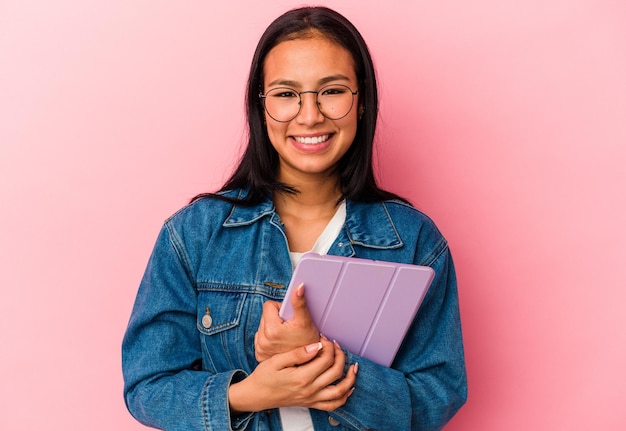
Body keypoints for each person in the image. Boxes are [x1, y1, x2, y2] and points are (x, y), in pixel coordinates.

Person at [122, 6, 467, 431]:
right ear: (260, 106)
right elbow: (147, 385)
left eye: (332, 91)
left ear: (361, 103)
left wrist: (318, 354)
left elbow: (436, 397)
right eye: (286, 94)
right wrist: (250, 394)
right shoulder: (194, 234)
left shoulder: (414, 242)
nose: (309, 116)